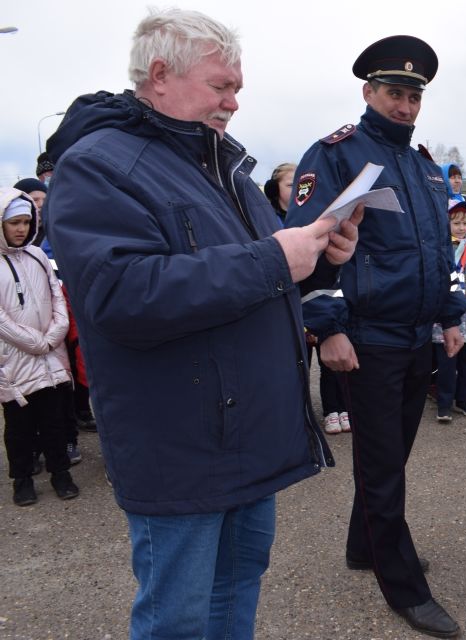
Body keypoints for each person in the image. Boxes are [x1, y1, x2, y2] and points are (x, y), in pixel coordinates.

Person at [43, 9, 359, 638]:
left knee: (237, 589)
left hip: (247, 431)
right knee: (179, 617)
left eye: (237, 87)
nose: (235, 102)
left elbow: (259, 277)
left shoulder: (223, 167)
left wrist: (318, 264)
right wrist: (276, 258)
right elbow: (121, 296)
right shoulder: (99, 165)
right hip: (181, 441)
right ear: (160, 75)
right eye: (222, 86)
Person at [283, 35, 465, 638]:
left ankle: (366, 547)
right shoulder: (337, 154)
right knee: (384, 466)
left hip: (415, 335)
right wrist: (327, 330)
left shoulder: (422, 165)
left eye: (414, 96)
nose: (406, 106)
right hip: (366, 337)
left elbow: (434, 250)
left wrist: (449, 316)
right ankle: (405, 587)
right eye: (395, 93)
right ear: (369, 92)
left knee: (395, 455)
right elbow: (308, 251)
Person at [0, 188, 78, 506]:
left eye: (25, 221)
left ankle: (61, 473)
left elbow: (57, 296)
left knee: (54, 421)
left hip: (51, 356)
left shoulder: (38, 256)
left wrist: (56, 331)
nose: (21, 229)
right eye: (13, 222)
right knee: (19, 428)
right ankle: (22, 479)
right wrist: (36, 342)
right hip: (15, 362)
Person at [435, 199, 466, 422]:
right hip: (446, 318)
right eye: (456, 223)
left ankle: (464, 400)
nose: (462, 227)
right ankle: (444, 403)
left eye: (465, 223)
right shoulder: (440, 247)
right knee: (447, 363)